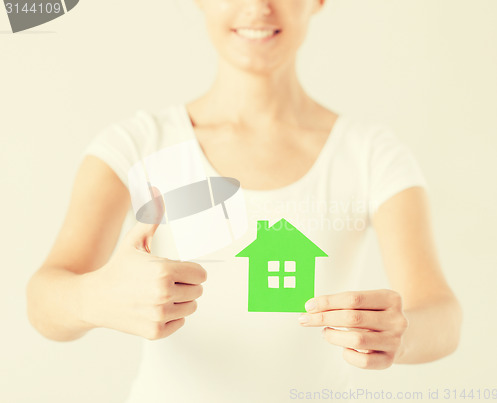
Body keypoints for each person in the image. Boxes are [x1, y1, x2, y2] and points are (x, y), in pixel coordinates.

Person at [26, 0, 462, 402]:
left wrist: (398, 334)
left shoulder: (371, 154)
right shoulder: (136, 144)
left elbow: (442, 315)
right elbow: (44, 302)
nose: (257, 7)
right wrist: (96, 297)